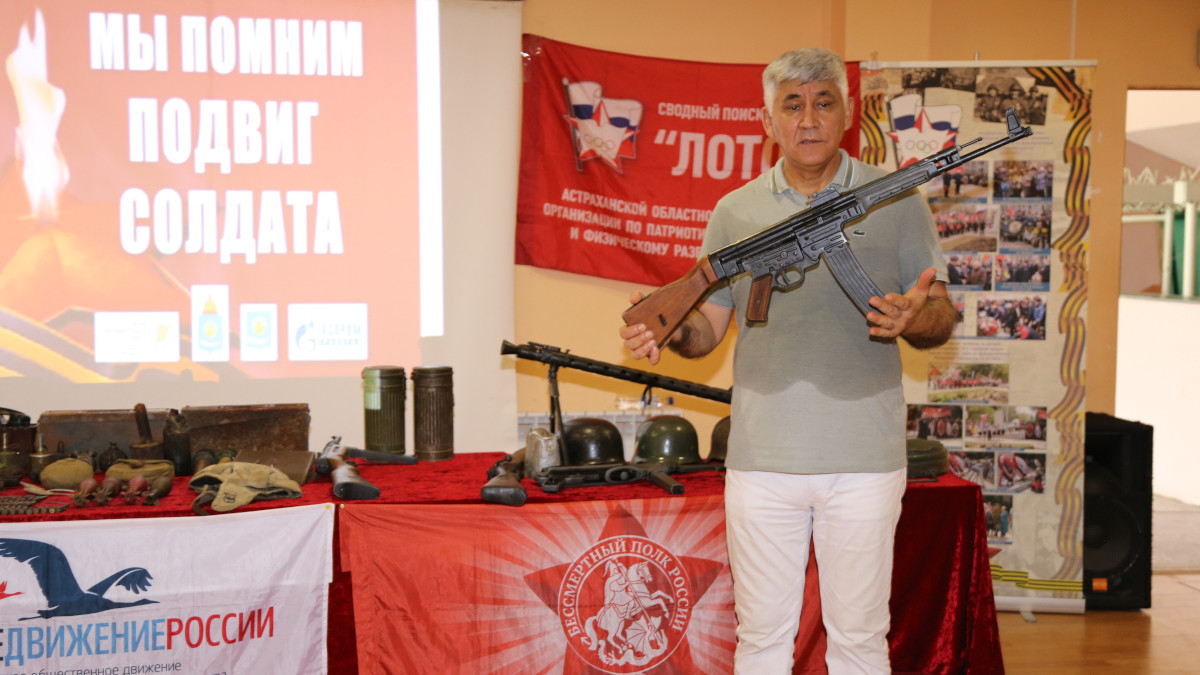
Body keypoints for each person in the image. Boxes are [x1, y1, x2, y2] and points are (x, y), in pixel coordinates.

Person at [619, 48, 959, 674]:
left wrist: (914, 318)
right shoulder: (736, 210)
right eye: (793, 105)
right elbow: (707, 328)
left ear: (847, 114)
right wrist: (665, 328)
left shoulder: (897, 201)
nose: (809, 119)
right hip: (763, 459)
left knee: (859, 640)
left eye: (823, 103)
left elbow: (938, 314)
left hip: (863, 458)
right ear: (767, 120)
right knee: (762, 641)